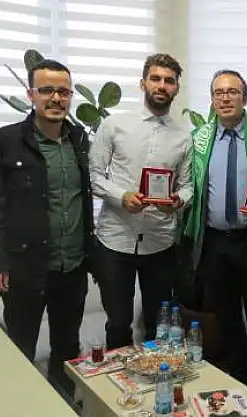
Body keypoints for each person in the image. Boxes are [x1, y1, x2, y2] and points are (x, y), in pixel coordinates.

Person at [0, 59, 94, 398]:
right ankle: (19, 405)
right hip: (25, 268)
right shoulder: (2, 142)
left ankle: (64, 404)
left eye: (64, 91)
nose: (56, 98)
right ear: (31, 94)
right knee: (20, 349)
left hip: (72, 267)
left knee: (67, 348)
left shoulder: (79, 140)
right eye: (47, 90)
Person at [89, 53, 192, 349]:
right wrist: (121, 196)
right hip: (115, 241)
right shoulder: (114, 125)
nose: (162, 85)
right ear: (143, 83)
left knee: (158, 323)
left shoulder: (184, 136)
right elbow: (94, 176)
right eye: (155, 78)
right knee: (118, 322)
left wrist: (176, 202)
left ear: (176, 88)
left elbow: (187, 187)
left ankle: (153, 373)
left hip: (160, 244)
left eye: (169, 81)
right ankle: (117, 377)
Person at [184, 69, 247, 390]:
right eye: (218, 93)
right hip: (214, 242)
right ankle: (235, 375)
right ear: (212, 100)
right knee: (225, 313)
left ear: (245, 98)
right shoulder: (198, 140)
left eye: (232, 92)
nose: (225, 98)